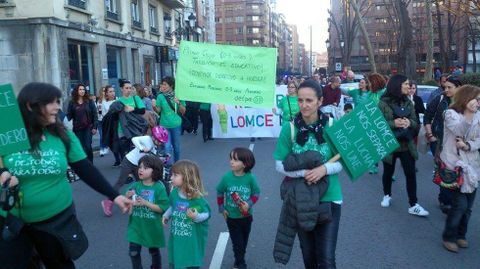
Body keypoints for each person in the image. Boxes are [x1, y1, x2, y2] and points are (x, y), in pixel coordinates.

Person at [0, 82, 132, 269]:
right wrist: (3, 173)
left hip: (55, 220)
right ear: (31, 106)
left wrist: (114, 195)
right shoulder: (9, 135)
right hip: (13, 222)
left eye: (58, 102)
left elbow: (86, 170)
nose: (57, 107)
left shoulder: (63, 136)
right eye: (52, 103)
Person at [273, 79, 343, 268]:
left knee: (327, 259)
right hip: (300, 199)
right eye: (300, 100)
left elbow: (342, 160)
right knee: (309, 257)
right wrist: (304, 173)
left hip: (330, 197)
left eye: (309, 100)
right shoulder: (290, 128)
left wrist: (323, 170)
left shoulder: (332, 124)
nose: (303, 105)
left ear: (320, 101)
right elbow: (279, 164)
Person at [378, 74, 429, 216]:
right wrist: (393, 123)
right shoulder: (382, 102)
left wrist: (409, 123)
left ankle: (413, 204)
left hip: (406, 144)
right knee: (388, 172)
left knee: (410, 173)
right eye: (406, 84)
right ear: (397, 85)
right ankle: (387, 195)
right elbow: (376, 125)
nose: (409, 87)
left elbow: (415, 122)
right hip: (389, 145)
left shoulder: (409, 101)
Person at [440, 85, 480, 252]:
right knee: (460, 205)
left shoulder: (479, 115)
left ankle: (461, 235)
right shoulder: (450, 114)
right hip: (455, 166)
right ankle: (449, 236)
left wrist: (468, 145)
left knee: (469, 206)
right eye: (476, 99)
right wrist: (469, 114)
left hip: (473, 165)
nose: (478, 103)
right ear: (466, 98)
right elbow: (458, 129)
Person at [101, 126, 170, 217]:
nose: (160, 143)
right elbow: (134, 139)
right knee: (121, 182)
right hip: (129, 161)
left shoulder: (154, 146)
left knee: (141, 183)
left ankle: (136, 201)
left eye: (161, 142)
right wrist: (141, 147)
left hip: (138, 165)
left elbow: (152, 157)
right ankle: (108, 201)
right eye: (159, 141)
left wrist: (163, 158)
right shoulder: (147, 139)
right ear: (154, 137)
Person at [216, 148, 260, 269]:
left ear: (245, 164)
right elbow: (220, 191)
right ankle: (240, 263)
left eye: (235, 160)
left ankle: (239, 257)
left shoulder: (250, 178)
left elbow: (256, 193)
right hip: (232, 217)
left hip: (247, 216)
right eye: (231, 159)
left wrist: (249, 203)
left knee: (244, 240)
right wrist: (221, 208)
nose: (231, 162)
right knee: (237, 242)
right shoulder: (227, 178)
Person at [424, 76, 462, 213]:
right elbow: (427, 117)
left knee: (457, 170)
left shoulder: (467, 102)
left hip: (459, 143)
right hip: (439, 141)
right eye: (445, 87)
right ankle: (445, 200)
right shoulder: (440, 99)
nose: (446, 90)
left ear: (459, 87)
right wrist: (430, 136)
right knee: (444, 169)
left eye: (449, 87)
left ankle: (451, 197)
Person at [162, 160, 210, 269]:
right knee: (174, 262)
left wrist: (196, 216)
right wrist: (166, 215)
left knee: (189, 264)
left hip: (191, 242)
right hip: (177, 238)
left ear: (187, 177)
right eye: (171, 175)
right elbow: (172, 206)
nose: (171, 178)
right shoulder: (174, 193)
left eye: (175, 175)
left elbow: (207, 214)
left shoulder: (197, 198)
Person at [125, 155, 169, 269]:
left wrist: (146, 203)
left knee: (154, 252)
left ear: (154, 171)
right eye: (140, 167)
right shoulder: (135, 185)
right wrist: (127, 197)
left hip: (152, 227)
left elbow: (162, 208)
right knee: (133, 252)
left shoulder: (159, 188)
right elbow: (127, 203)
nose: (140, 170)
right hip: (136, 226)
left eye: (145, 168)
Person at [153, 77, 186, 163]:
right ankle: (168, 167)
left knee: (176, 147)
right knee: (167, 147)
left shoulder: (178, 95)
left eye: (165, 84)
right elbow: (159, 111)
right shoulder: (160, 96)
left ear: (171, 85)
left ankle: (177, 164)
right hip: (164, 125)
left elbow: (183, 111)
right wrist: (154, 106)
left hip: (176, 125)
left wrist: (178, 103)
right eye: (162, 84)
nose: (162, 86)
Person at [67, 83, 98, 163]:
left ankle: (90, 164)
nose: (82, 91)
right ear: (76, 91)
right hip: (77, 129)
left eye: (83, 89)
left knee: (87, 146)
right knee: (80, 148)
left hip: (88, 128)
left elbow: (95, 114)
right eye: (80, 89)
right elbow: (69, 116)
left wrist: (95, 127)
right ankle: (84, 164)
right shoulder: (72, 103)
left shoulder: (89, 101)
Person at [101, 85, 117, 158]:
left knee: (118, 142)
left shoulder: (118, 100)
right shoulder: (104, 103)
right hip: (109, 125)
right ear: (106, 93)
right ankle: (117, 158)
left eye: (113, 91)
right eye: (110, 92)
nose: (112, 93)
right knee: (111, 142)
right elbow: (103, 115)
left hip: (117, 124)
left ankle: (120, 158)